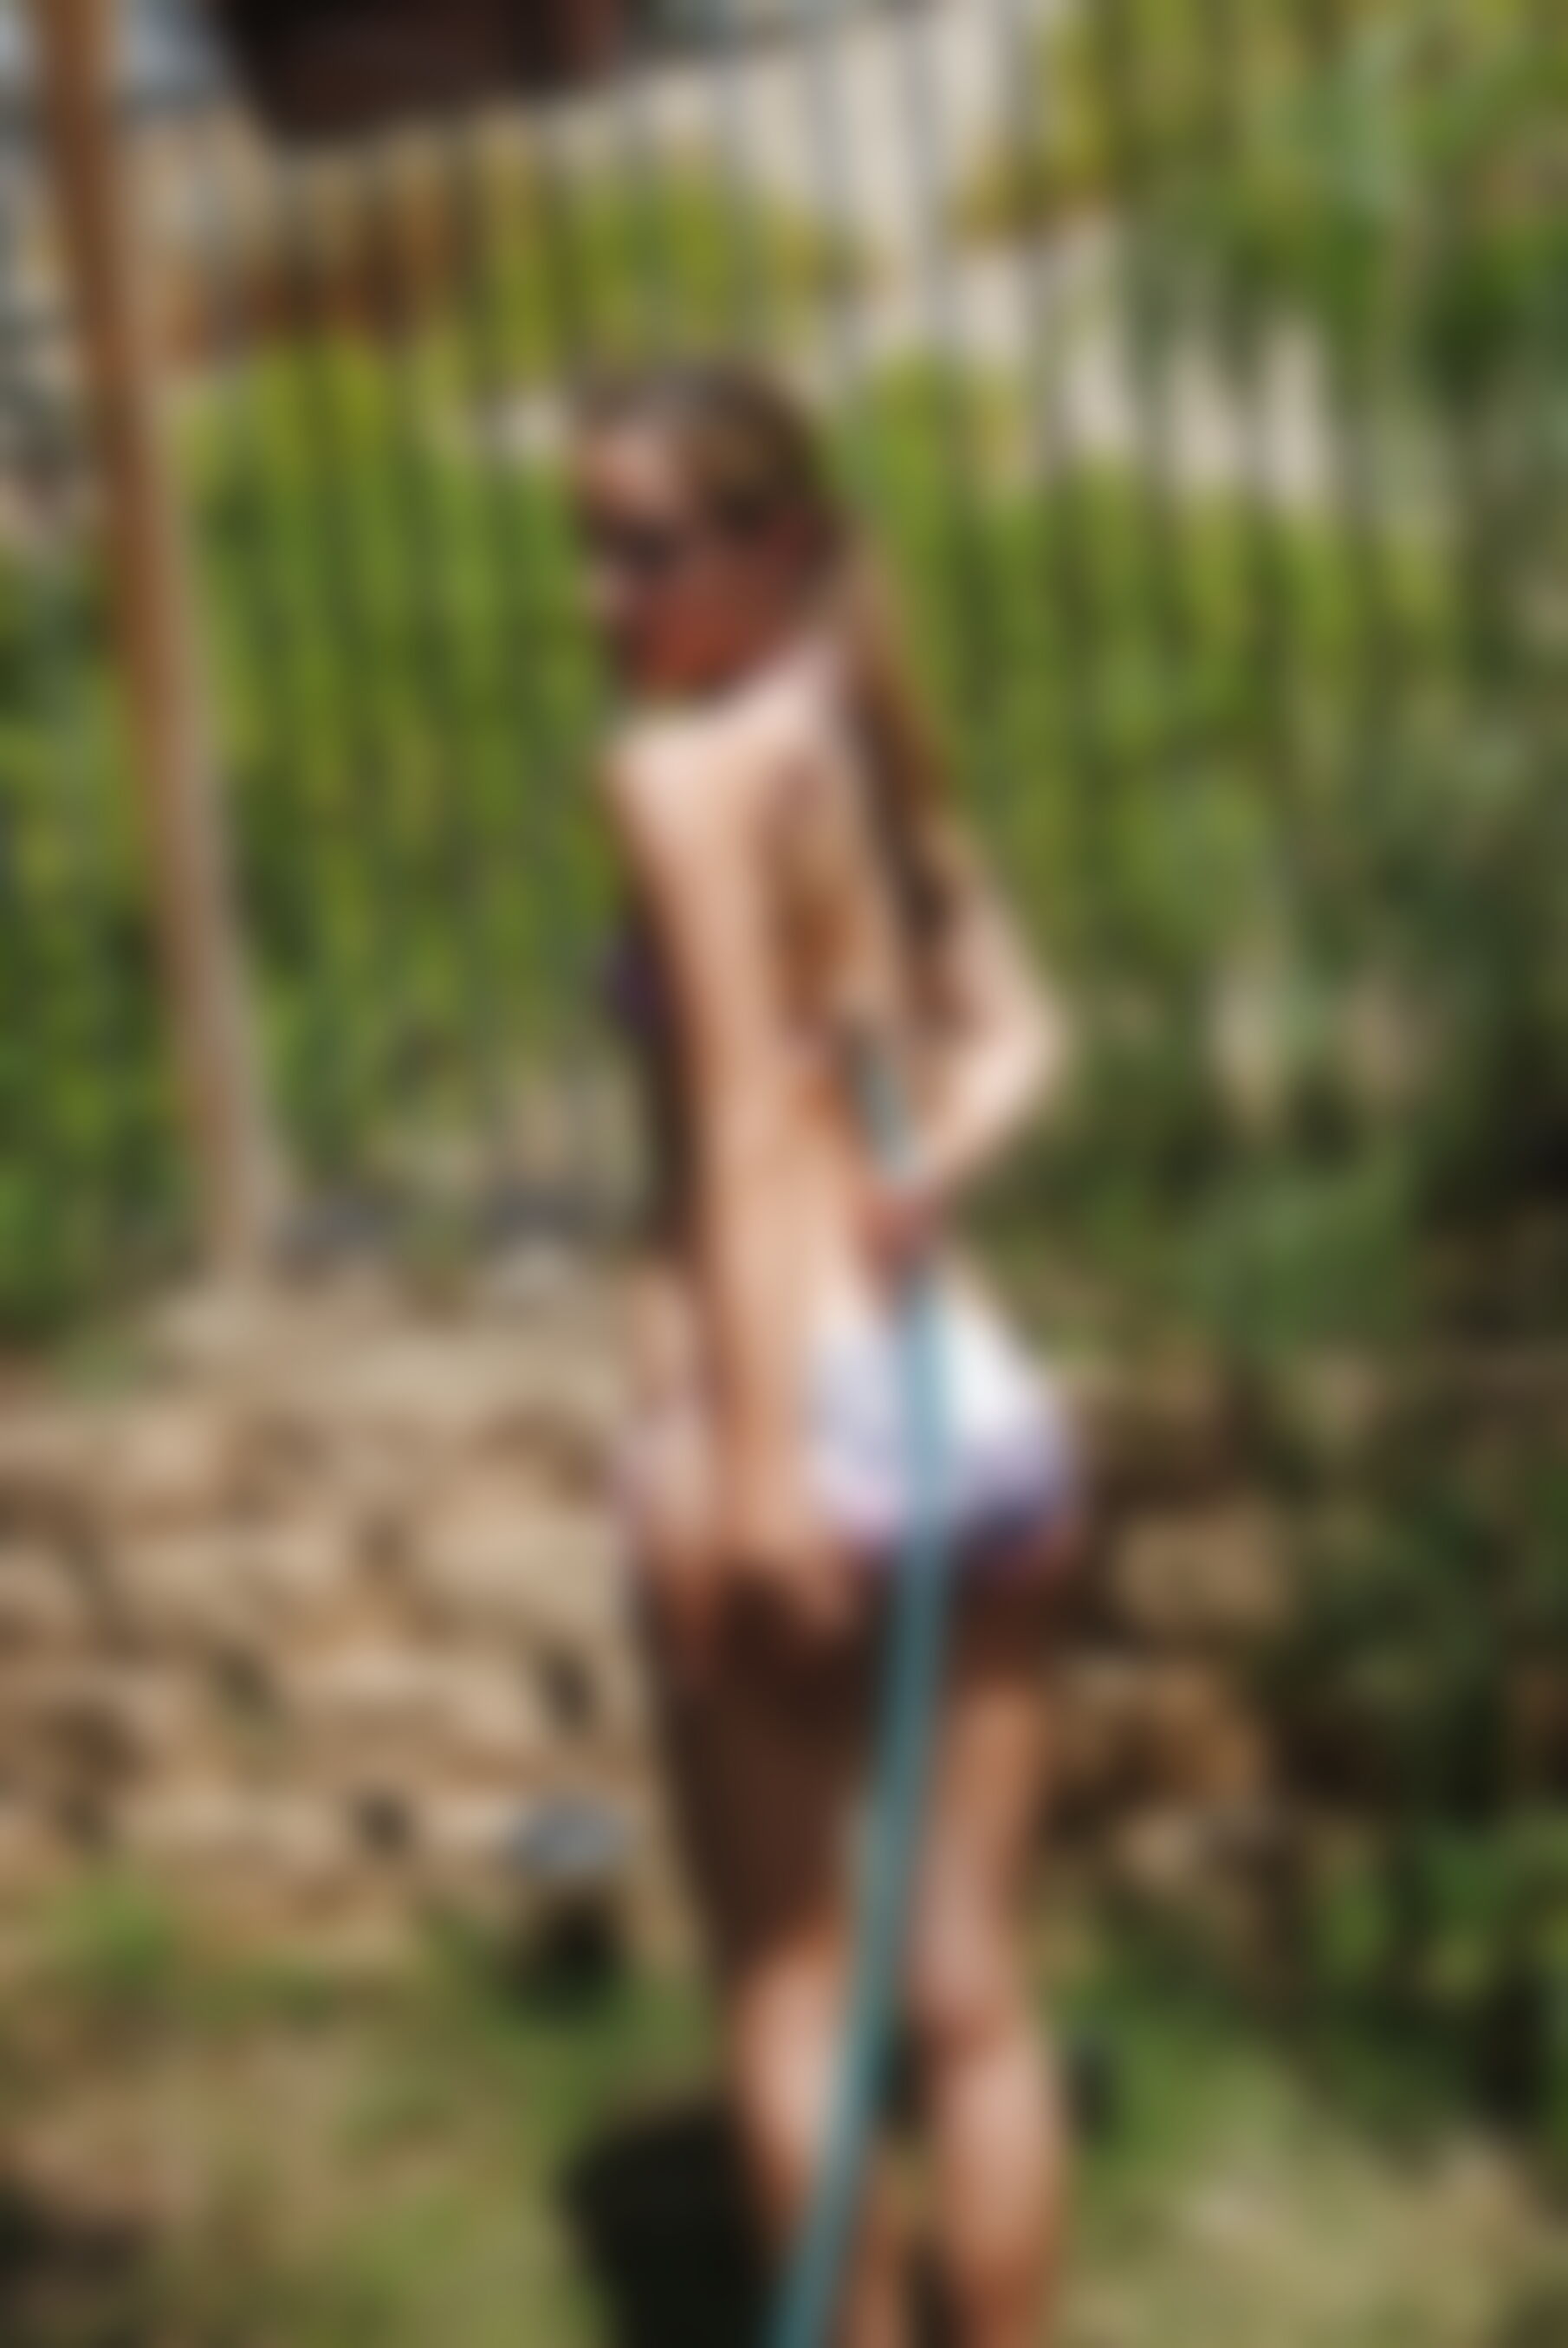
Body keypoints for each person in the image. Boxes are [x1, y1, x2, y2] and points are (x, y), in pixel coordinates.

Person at [575, 360, 1082, 2348]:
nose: (601, 594)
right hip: (973, 1405)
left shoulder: (679, 772)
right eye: (587, 546)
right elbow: (1022, 1031)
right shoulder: (861, 743)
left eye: (643, 547)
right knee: (968, 1992)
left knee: (794, 1986)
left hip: (798, 1413)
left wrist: (753, 1465)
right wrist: (930, 1166)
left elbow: (725, 1118)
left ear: (774, 540)